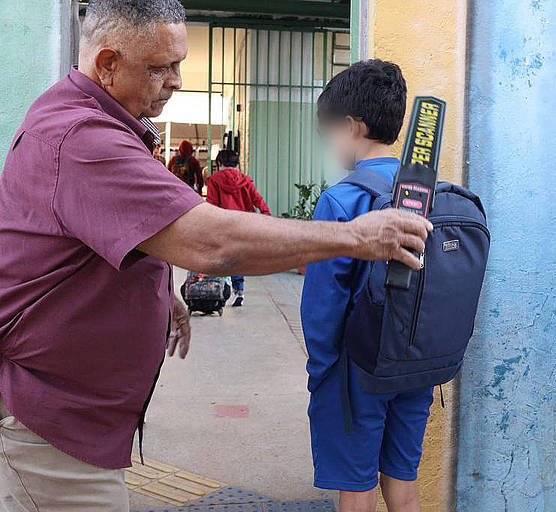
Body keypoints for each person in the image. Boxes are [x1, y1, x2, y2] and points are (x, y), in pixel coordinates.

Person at [0, 2, 431, 510]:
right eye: (161, 67)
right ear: (108, 63)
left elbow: (126, 229)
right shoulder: (82, 139)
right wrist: (357, 238)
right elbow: (212, 242)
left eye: (179, 63)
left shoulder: (102, 126)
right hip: (51, 425)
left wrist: (160, 291)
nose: (177, 81)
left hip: (80, 419)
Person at [301, 59, 430, 512]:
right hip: (416, 365)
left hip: (356, 371)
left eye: (329, 133)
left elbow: (323, 304)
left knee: (356, 487)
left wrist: (321, 372)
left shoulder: (342, 199)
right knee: (402, 481)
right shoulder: (429, 194)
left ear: (352, 127)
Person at [206, 150, 271, 306]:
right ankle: (239, 291)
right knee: (238, 256)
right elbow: (257, 199)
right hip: (243, 223)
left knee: (223, 256)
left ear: (219, 164)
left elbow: (212, 203)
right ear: (236, 164)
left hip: (224, 223)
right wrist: (266, 215)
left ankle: (223, 287)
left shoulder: (214, 180)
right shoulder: (245, 180)